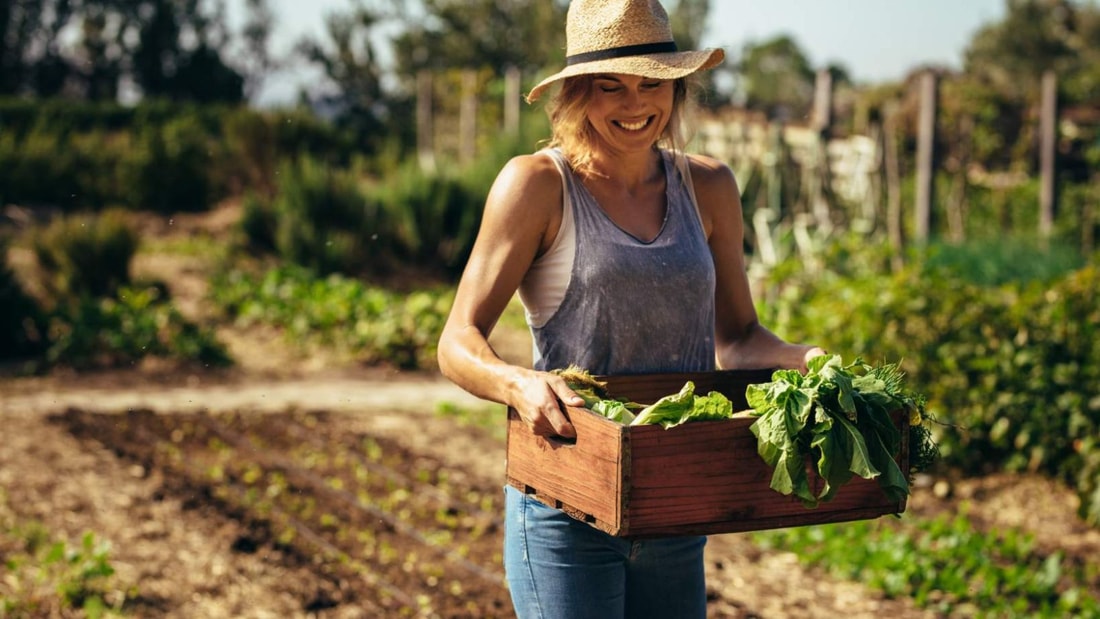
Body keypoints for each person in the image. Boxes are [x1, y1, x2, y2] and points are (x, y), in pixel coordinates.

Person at [437, 0, 825, 616]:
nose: (636, 104)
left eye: (652, 84)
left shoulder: (711, 186)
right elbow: (457, 341)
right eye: (610, 86)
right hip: (566, 500)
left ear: (676, 88)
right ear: (576, 94)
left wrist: (813, 361)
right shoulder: (538, 185)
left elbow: (740, 336)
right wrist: (518, 383)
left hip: (672, 498)